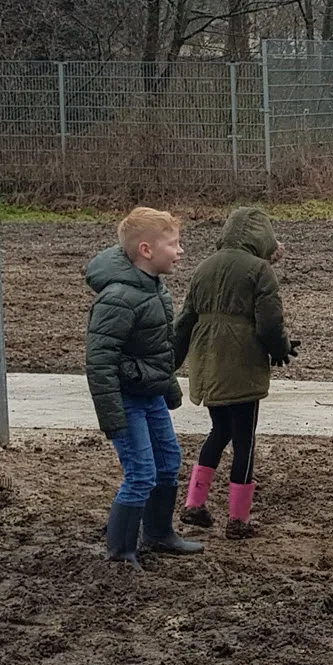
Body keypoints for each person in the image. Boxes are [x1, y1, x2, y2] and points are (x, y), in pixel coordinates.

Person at [85, 207, 204, 563]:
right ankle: (120, 553)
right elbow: (100, 360)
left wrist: (167, 387)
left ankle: (158, 534)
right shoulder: (118, 297)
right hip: (125, 400)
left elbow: (158, 349)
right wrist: (111, 416)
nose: (180, 251)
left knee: (168, 462)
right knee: (140, 474)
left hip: (149, 395)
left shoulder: (155, 289)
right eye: (174, 244)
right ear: (146, 251)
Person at [173, 206, 292, 540]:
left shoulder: (203, 268)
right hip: (242, 363)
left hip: (207, 359)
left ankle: (194, 504)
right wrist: (280, 349)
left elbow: (184, 321)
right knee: (245, 441)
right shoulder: (259, 270)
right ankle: (238, 520)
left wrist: (170, 362)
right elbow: (270, 323)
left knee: (219, 430)